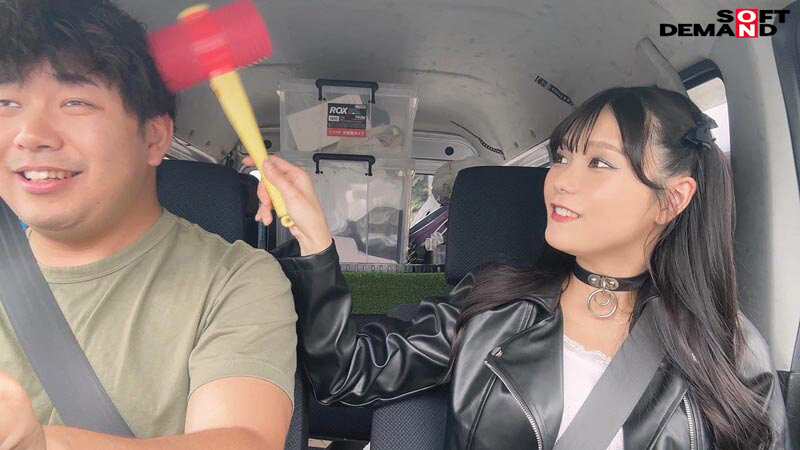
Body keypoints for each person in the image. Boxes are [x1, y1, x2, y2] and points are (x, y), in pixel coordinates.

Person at [254, 86, 790, 449]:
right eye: (561, 156)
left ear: (672, 200)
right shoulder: (493, 306)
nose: (560, 180)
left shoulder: (730, 351)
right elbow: (345, 373)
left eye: (599, 162)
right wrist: (316, 239)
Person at [0, 0, 298, 448]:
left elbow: (244, 440)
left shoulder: (234, 280)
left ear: (154, 137)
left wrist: (40, 444)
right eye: (6, 102)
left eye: (75, 102)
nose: (32, 135)